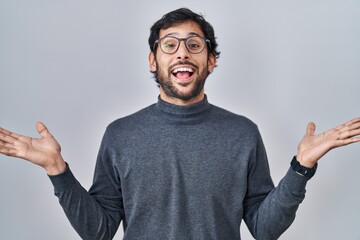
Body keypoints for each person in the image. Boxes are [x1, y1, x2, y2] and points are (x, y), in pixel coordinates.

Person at [0, 8, 359, 240]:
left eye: (194, 44)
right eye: (169, 45)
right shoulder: (120, 135)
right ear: (153, 61)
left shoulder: (242, 133)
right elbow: (99, 231)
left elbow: (264, 229)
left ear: (212, 61)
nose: (182, 52)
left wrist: (301, 168)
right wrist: (57, 170)